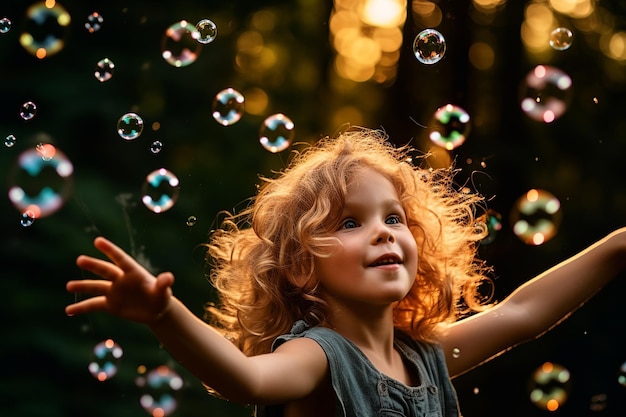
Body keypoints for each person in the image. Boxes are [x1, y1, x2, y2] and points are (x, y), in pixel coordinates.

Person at [65, 127, 626, 417]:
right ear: (302, 266)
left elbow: (523, 313)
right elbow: (246, 379)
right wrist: (165, 314)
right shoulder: (316, 355)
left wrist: (619, 246)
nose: (383, 231)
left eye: (395, 218)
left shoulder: (424, 356)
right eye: (351, 223)